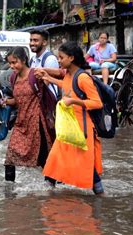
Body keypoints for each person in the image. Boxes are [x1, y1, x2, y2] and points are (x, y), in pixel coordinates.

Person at [38, 41, 104, 195]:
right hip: (69, 125)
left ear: (71, 58)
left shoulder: (83, 78)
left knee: (85, 163)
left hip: (82, 128)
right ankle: (48, 190)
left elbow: (97, 103)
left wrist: (74, 101)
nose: (58, 61)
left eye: (61, 58)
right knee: (56, 158)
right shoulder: (69, 74)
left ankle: (100, 194)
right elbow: (67, 87)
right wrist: (49, 78)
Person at [3, 47, 55, 183]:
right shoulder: (13, 77)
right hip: (21, 122)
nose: (12, 66)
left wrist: (46, 77)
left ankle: (52, 187)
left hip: (37, 121)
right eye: (10, 63)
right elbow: (18, 100)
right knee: (10, 156)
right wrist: (7, 102)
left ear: (24, 60)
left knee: (44, 155)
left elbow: (50, 83)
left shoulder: (34, 75)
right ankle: (9, 190)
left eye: (15, 62)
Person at [29, 29, 60, 99]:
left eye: (35, 40)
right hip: (38, 100)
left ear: (44, 42)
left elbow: (46, 83)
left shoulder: (50, 59)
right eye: (31, 40)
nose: (32, 43)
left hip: (48, 101)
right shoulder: (32, 59)